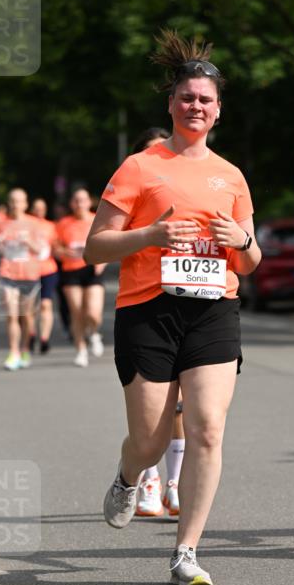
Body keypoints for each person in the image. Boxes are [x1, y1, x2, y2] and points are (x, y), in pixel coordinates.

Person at [85, 30, 261, 585]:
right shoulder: (140, 167)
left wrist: (241, 240)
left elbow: (251, 260)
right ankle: (128, 475)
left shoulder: (230, 176)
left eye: (205, 100)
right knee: (151, 439)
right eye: (187, 97)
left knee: (207, 429)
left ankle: (186, 550)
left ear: (218, 111)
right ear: (171, 104)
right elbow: (94, 247)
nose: (196, 106)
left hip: (214, 309)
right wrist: (152, 233)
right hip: (148, 309)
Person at [128, 126, 186, 518]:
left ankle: (173, 484)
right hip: (146, 307)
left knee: (182, 408)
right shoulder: (132, 192)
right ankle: (145, 478)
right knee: (153, 417)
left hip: (193, 307)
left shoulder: (192, 189)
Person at [0, 188, 44, 370]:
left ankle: (24, 348)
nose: (16, 205)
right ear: (9, 203)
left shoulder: (34, 224)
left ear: (25, 203)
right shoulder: (1, 224)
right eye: (13, 201)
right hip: (8, 273)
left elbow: (42, 250)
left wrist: (27, 242)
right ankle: (13, 352)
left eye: (19, 201)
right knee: (11, 314)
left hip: (29, 275)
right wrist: (0, 246)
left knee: (27, 316)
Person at [55, 189, 106, 367]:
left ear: (89, 202)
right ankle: (81, 350)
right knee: (76, 312)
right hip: (71, 270)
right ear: (71, 204)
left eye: (82, 200)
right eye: (76, 200)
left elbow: (108, 244)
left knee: (93, 313)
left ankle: (93, 332)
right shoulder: (63, 223)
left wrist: (102, 263)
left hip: (92, 269)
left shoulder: (97, 219)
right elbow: (55, 248)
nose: (79, 204)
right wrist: (64, 252)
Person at [29, 197, 59, 353]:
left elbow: (55, 247)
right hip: (29, 271)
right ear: (32, 209)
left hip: (48, 269)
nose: (39, 211)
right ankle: (31, 333)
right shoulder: (25, 225)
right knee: (31, 306)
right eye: (36, 208)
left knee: (46, 304)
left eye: (42, 208)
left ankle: (44, 339)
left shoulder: (50, 226)